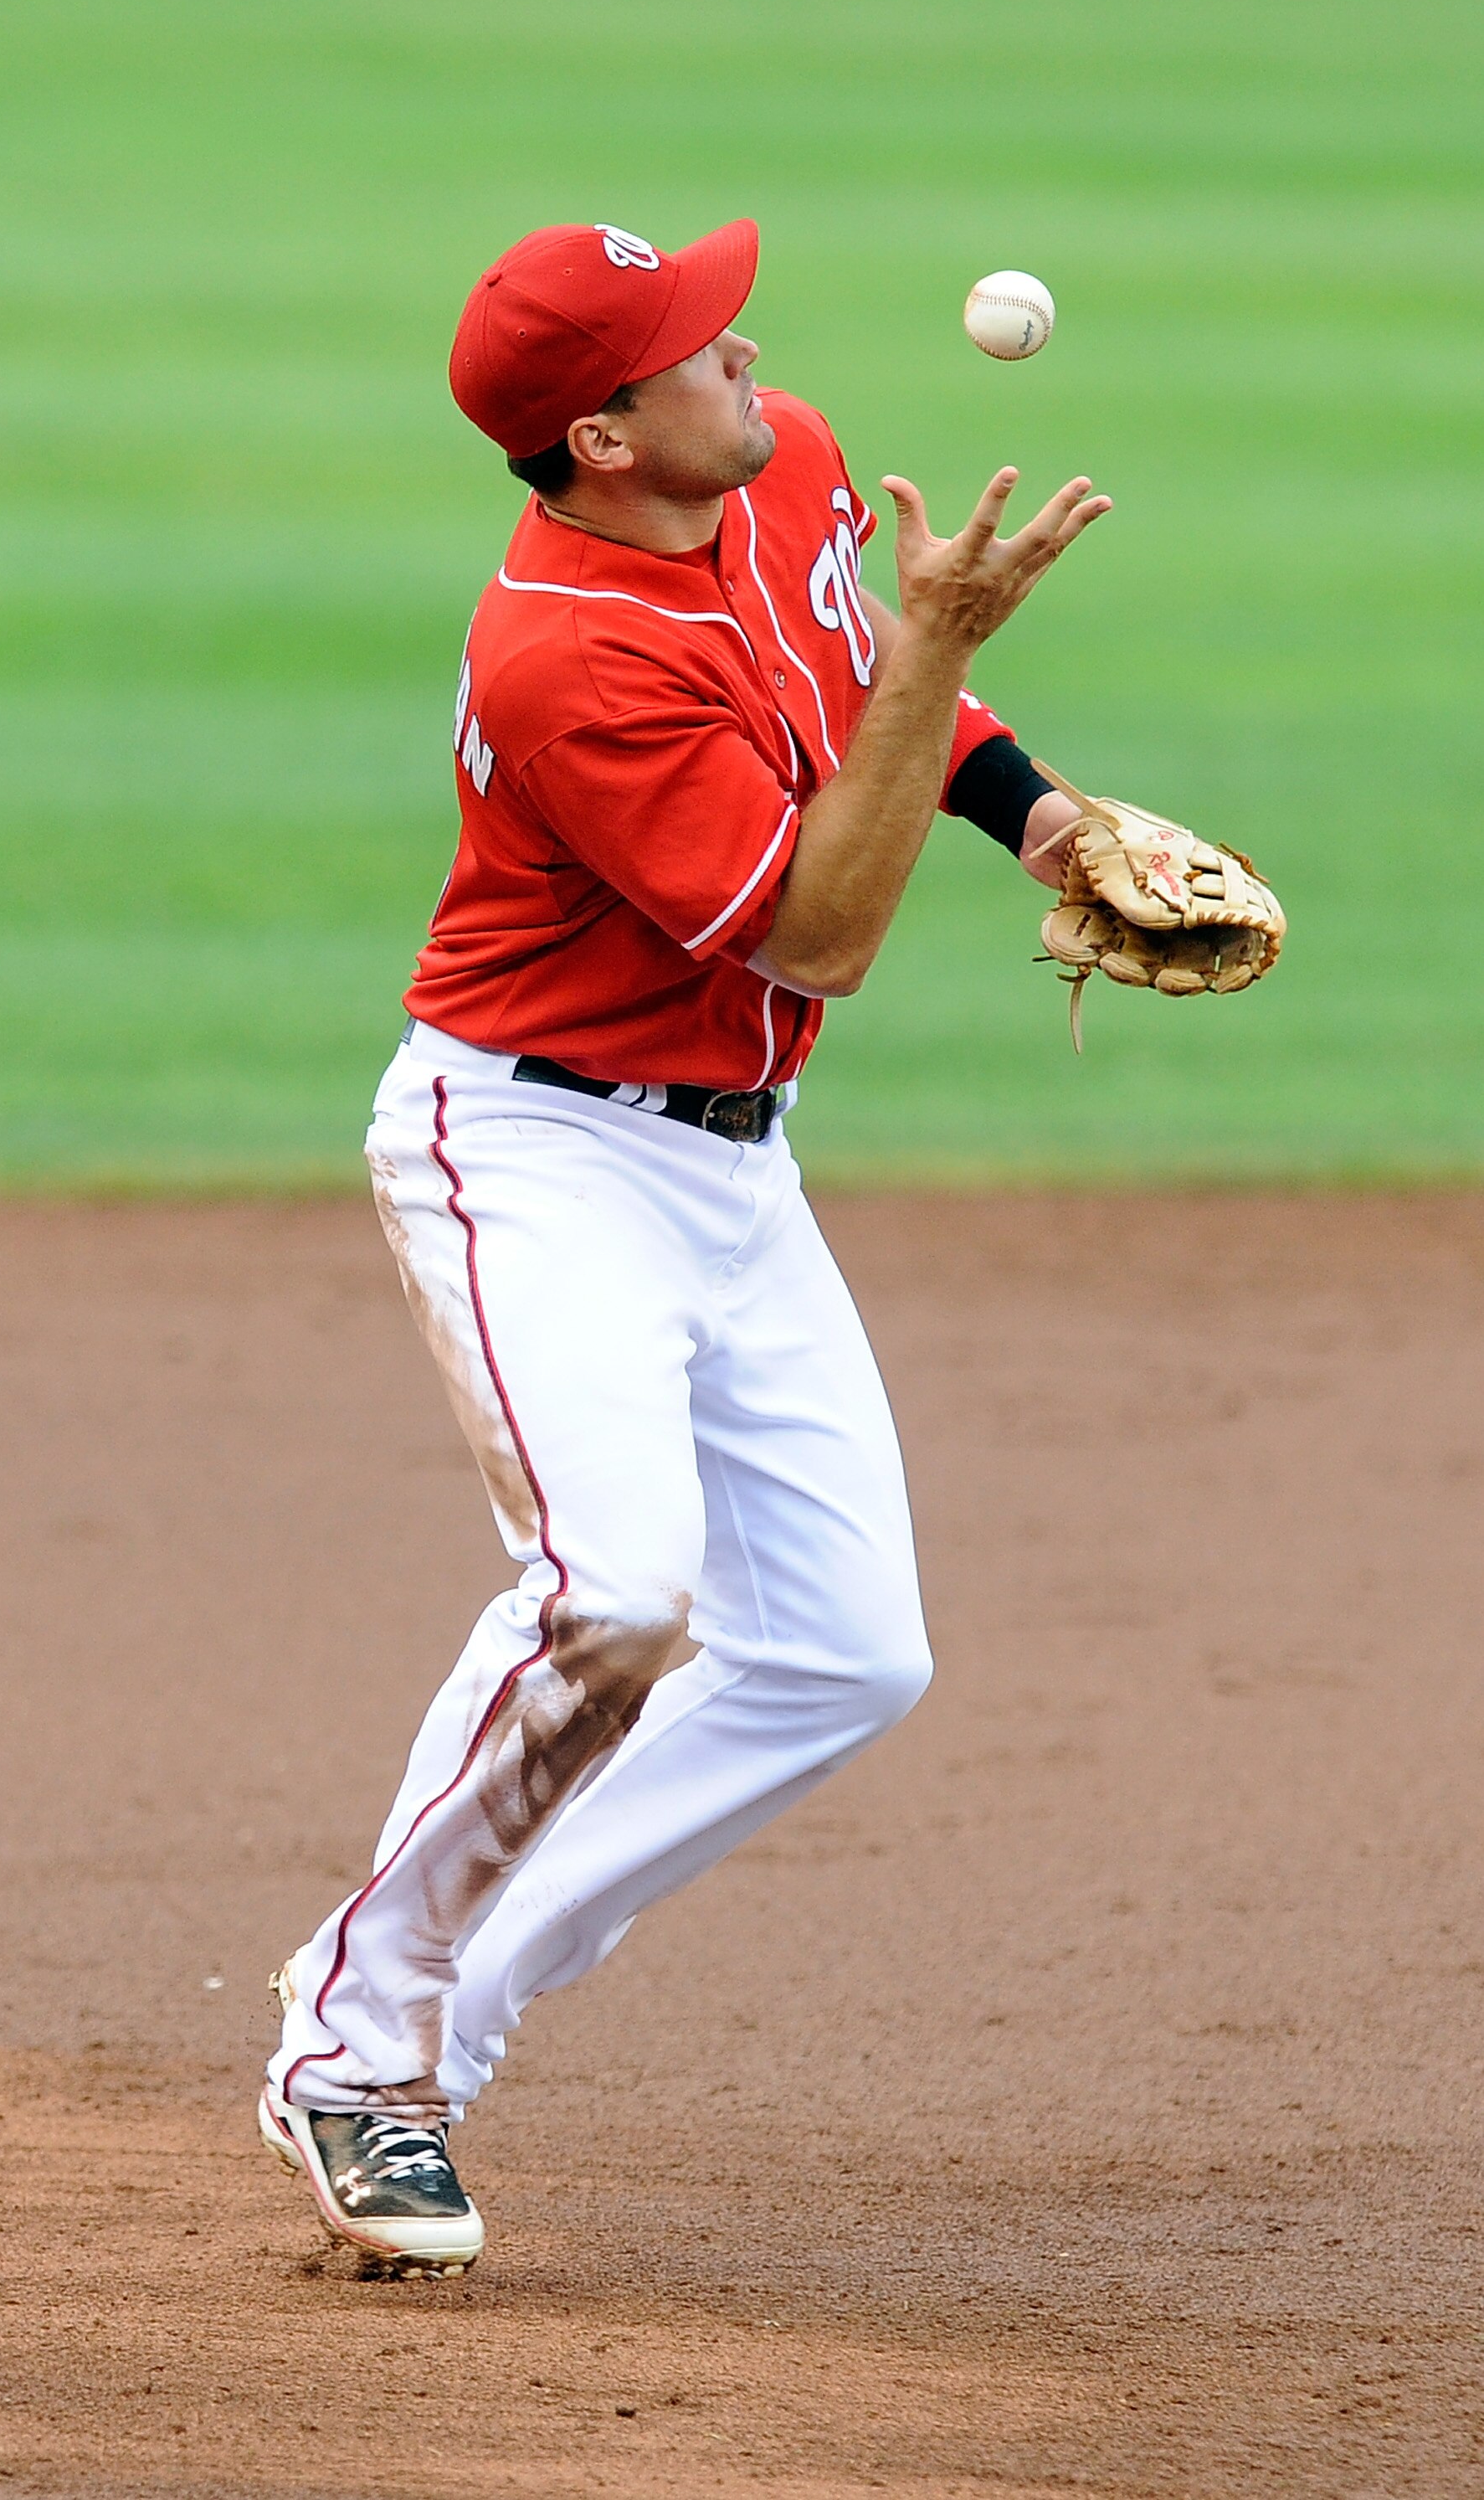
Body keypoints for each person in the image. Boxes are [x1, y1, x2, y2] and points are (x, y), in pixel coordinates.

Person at [259, 218, 1110, 2276]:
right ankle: (354, 2047)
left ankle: (453, 2016)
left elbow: (874, 711)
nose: (743, 350)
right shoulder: (566, 651)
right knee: (614, 1599)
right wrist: (934, 653)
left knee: (841, 1655)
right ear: (601, 437)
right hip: (533, 1147)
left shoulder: (790, 457)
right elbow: (814, 929)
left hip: (737, 1162)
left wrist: (1045, 812)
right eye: (687, 349)